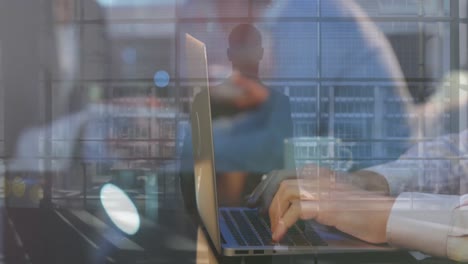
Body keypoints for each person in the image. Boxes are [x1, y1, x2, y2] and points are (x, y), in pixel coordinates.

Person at [180, 24, 293, 207]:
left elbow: (279, 114)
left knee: (221, 153)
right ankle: (223, 216)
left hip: (278, 130)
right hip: (261, 117)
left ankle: (227, 215)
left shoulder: (284, 21)